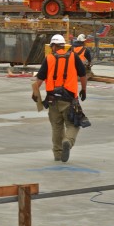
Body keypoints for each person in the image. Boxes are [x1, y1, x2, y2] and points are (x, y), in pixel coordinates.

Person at [33, 34, 87, 163]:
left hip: (53, 99)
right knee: (73, 124)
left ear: (53, 46)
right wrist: (84, 90)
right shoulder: (73, 57)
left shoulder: (49, 58)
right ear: (63, 45)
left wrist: (35, 93)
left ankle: (58, 154)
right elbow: (83, 74)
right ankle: (68, 141)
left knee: (57, 127)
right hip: (69, 99)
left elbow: (39, 78)